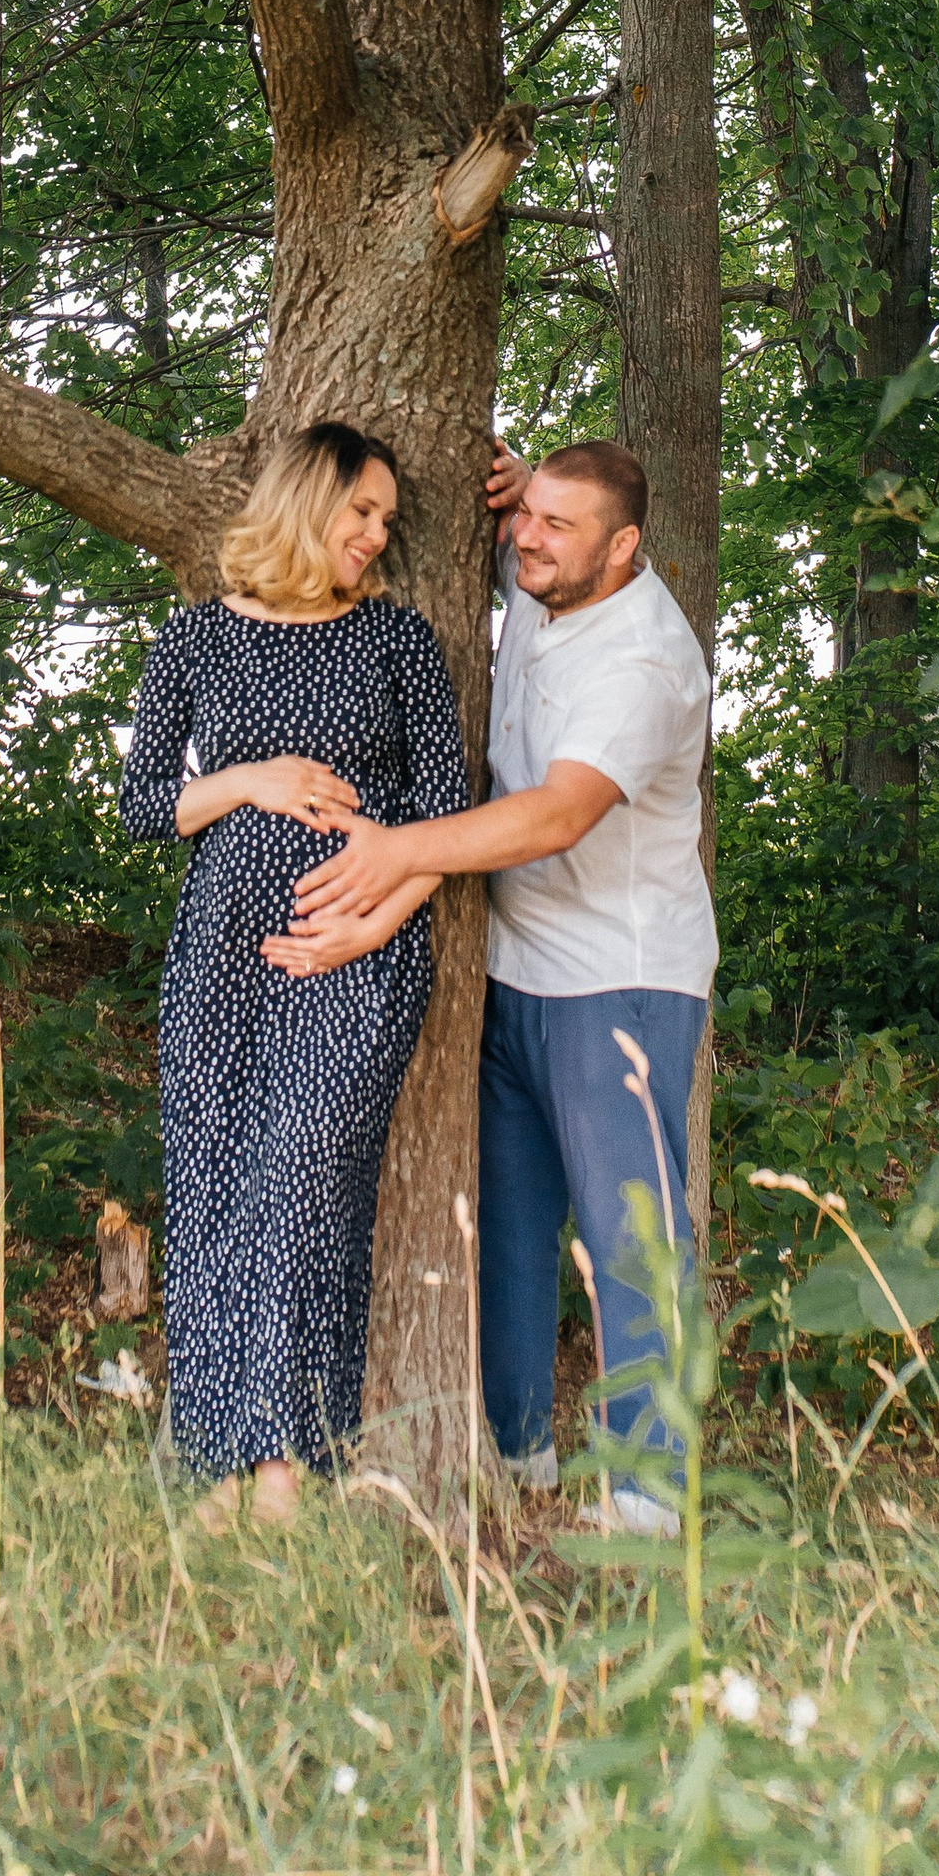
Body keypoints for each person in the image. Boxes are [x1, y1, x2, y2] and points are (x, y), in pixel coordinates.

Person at [281, 438, 714, 1525]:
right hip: (511, 964)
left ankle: (650, 1497)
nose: (528, 539)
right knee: (510, 1227)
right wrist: (528, 492)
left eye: (560, 527)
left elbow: (559, 813)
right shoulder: (545, 570)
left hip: (618, 979)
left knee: (630, 1235)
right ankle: (519, 1453)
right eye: (529, 514)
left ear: (625, 547)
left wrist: (398, 852)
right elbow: (532, 521)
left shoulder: (646, 664)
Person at [120, 418, 464, 1522]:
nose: (376, 535)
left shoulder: (397, 640)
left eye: (387, 520)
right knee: (215, 1185)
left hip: (355, 955)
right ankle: (222, 1465)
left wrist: (376, 923)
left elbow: (446, 817)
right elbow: (142, 807)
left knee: (304, 1183)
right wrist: (249, 780)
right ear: (306, 500)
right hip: (222, 953)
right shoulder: (195, 640)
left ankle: (284, 1465)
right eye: (362, 511)